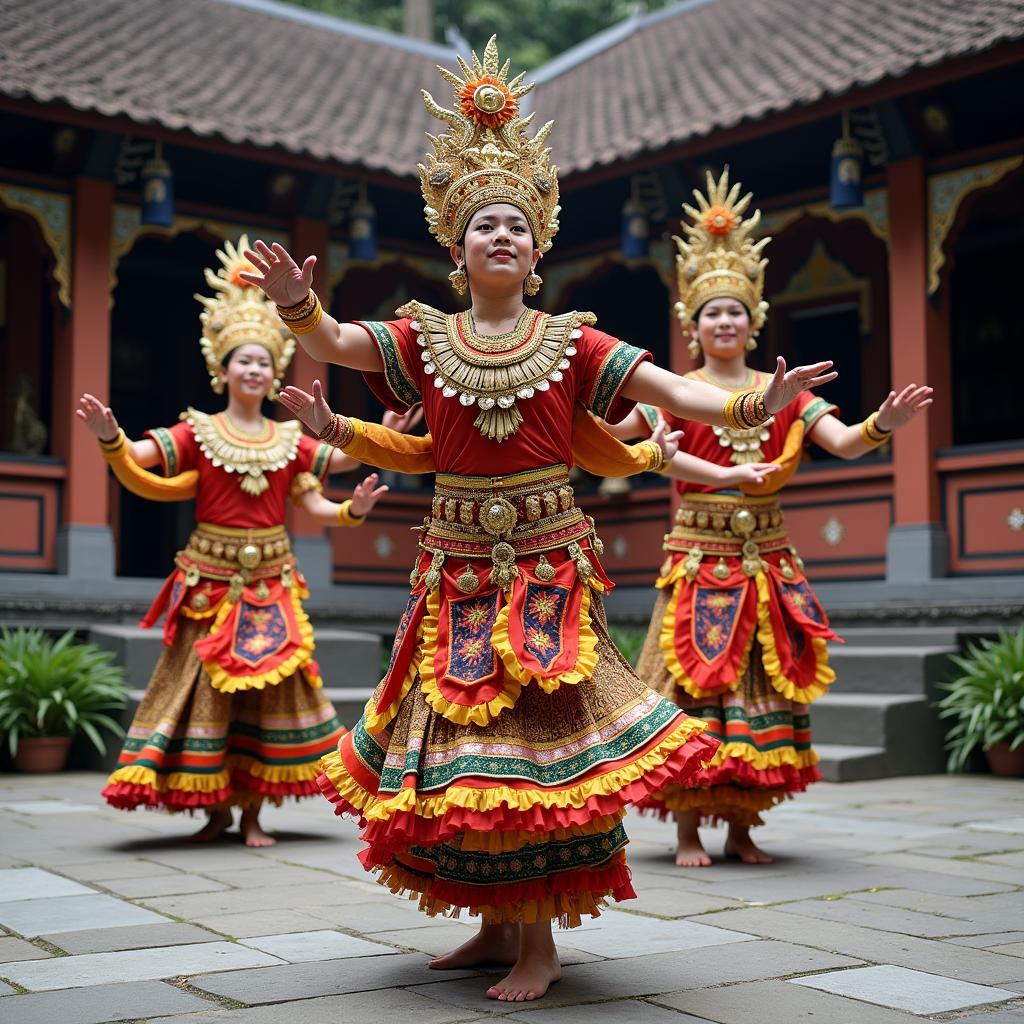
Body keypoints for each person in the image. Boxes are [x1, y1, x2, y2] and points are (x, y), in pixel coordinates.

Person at [240, 39, 836, 1000]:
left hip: (550, 572)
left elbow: (671, 389)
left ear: (540, 242)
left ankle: (541, 942)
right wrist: (299, 306)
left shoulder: (572, 342)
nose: (504, 237)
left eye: (518, 223)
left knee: (546, 756)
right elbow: (341, 342)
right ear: (458, 246)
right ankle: (488, 923)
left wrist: (752, 407)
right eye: (487, 226)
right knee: (467, 757)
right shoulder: (424, 339)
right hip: (457, 565)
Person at [609, 171, 932, 867]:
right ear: (690, 325)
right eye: (710, 313)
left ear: (753, 322)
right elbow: (627, 451)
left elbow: (842, 443)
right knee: (696, 682)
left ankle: (743, 826)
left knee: (758, 684)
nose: (723, 322)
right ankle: (689, 828)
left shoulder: (779, 390)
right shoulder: (676, 390)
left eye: (734, 312)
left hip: (765, 561)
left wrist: (886, 422)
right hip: (699, 556)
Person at [77, 238, 390, 847]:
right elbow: (143, 461)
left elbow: (317, 497)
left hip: (271, 585)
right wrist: (111, 436)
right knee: (201, 694)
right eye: (243, 361)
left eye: (264, 363)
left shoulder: (288, 441)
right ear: (222, 370)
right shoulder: (198, 431)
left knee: (268, 698)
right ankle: (213, 811)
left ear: (276, 374)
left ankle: (252, 815)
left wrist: (356, 501)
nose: (254, 371)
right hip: (209, 586)